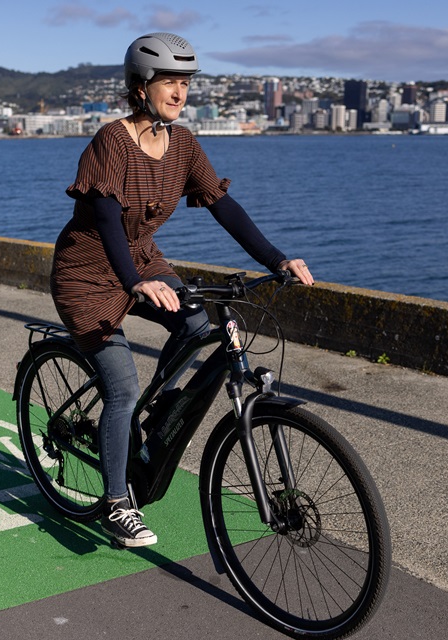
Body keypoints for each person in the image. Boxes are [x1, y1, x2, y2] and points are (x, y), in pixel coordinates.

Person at [50, 32, 314, 548]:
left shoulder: (185, 144)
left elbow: (224, 207)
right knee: (122, 388)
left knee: (197, 323)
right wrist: (134, 283)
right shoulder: (112, 140)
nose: (179, 92)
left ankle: (161, 409)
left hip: (143, 258)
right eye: (168, 81)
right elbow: (105, 217)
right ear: (140, 86)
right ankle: (117, 502)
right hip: (87, 272)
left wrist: (276, 258)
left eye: (185, 82)